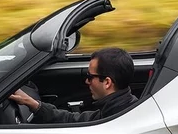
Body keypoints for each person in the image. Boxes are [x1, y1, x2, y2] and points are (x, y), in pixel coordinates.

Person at [9, 47, 138, 123]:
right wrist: (33, 104)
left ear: (107, 82)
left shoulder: (116, 119)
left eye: (90, 77)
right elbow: (73, 119)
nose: (86, 81)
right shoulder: (118, 108)